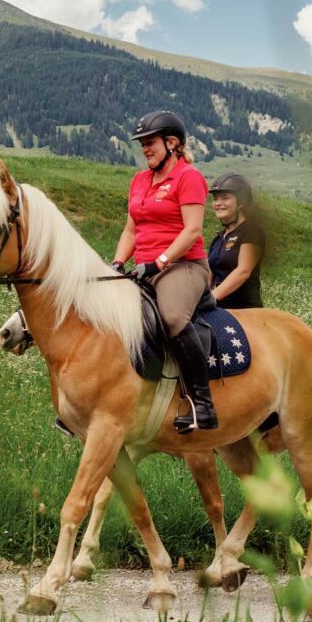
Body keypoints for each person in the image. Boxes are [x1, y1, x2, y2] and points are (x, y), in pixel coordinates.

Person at [112, 110, 217, 433]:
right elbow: (131, 231)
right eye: (142, 143)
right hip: (144, 267)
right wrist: (117, 264)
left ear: (172, 143)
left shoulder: (189, 178)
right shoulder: (140, 181)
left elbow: (192, 231)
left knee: (172, 317)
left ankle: (203, 404)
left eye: (150, 142)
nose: (145, 149)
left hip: (184, 265)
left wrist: (159, 261)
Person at [207, 173, 265, 309]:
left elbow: (243, 271)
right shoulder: (218, 238)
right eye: (215, 199)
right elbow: (209, 275)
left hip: (244, 309)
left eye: (225, 198)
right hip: (219, 308)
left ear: (242, 202)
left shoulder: (251, 231)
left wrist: (211, 298)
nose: (218, 204)